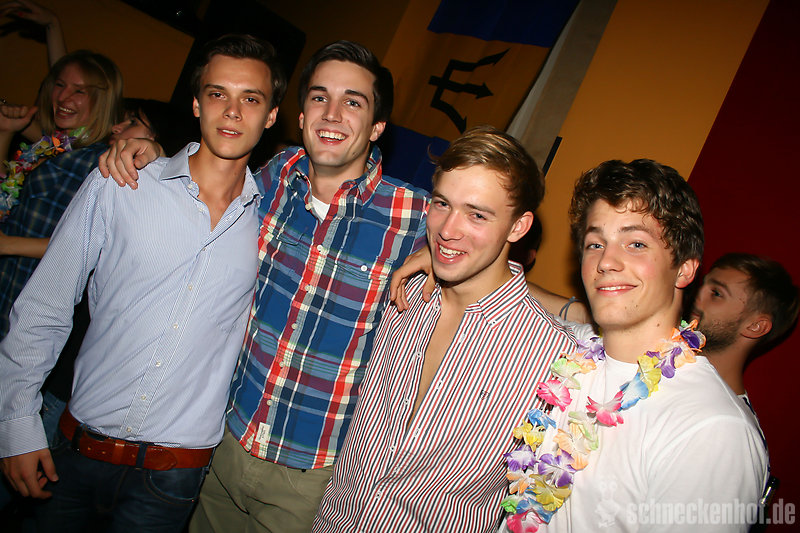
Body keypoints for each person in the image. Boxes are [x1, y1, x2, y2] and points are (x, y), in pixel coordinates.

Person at [100, 40, 429, 533]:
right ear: (300, 115)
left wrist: (441, 255)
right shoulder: (268, 181)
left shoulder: (416, 216)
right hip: (224, 441)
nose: (332, 113)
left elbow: (492, 270)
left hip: (311, 473)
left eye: (353, 102)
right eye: (319, 97)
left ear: (377, 126)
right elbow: (203, 180)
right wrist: (155, 156)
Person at [0, 33, 285, 532]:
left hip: (174, 478)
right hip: (74, 452)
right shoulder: (122, 182)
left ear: (272, 116)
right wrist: (16, 423)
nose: (232, 111)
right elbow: (46, 303)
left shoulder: (275, 220)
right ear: (196, 103)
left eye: (251, 99)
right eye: (218, 93)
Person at [312, 125, 576, 532]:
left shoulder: (557, 357)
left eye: (477, 214)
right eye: (441, 204)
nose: (448, 230)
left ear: (518, 227)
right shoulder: (404, 292)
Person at [501, 159, 768, 532]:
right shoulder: (573, 357)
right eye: (595, 244)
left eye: (636, 243)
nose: (606, 261)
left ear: (685, 269)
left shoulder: (710, 428)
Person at [0, 49, 123, 336]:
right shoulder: (52, 145)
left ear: (102, 100)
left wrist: (6, 245)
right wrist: (5, 132)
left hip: (27, 306)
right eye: (59, 85)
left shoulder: (99, 163)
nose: (63, 97)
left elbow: (87, 247)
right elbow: (7, 196)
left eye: (79, 91)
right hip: (7, 284)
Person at [690, 252, 799, 397]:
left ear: (755, 326)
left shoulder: (722, 410)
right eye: (702, 284)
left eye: (716, 293)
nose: (698, 294)